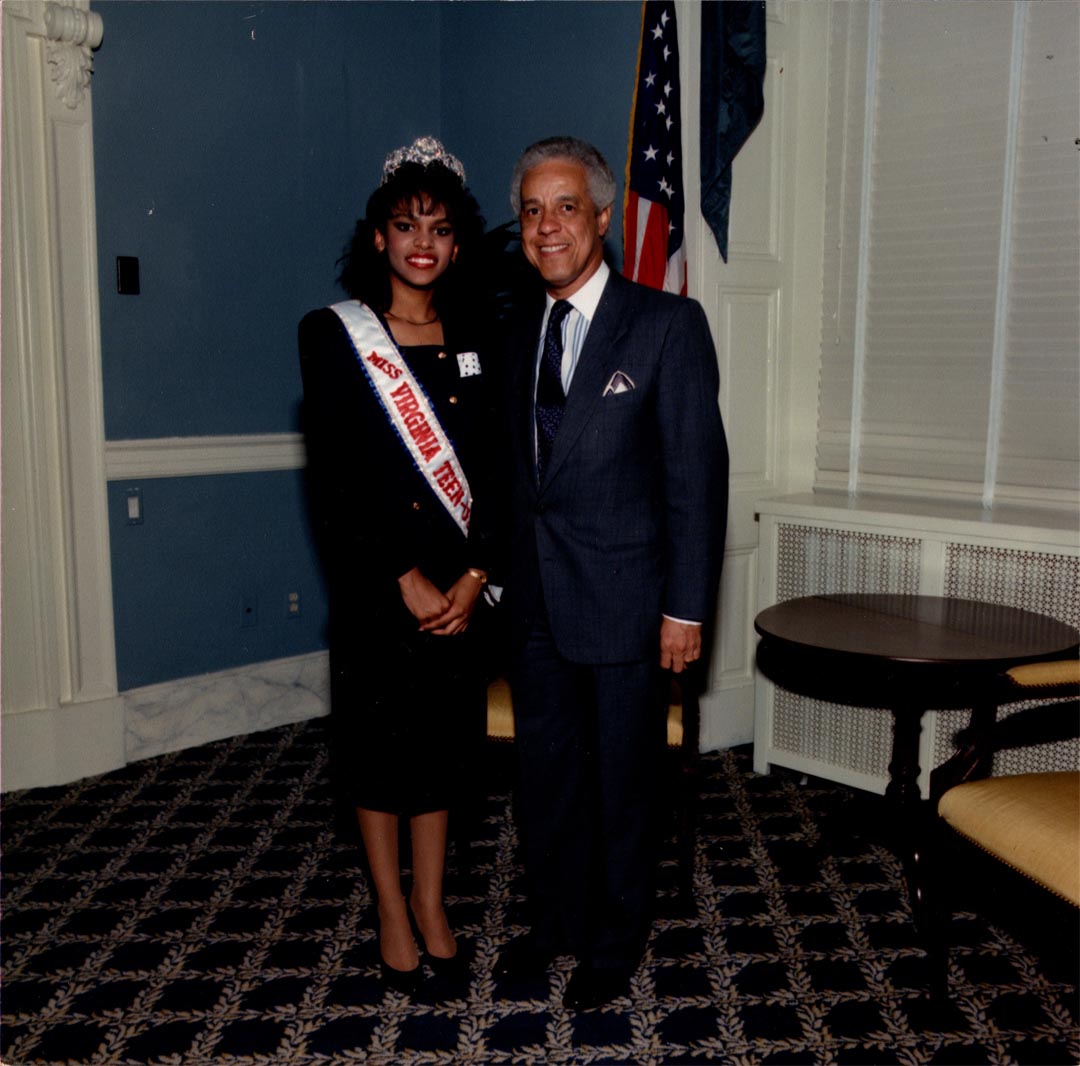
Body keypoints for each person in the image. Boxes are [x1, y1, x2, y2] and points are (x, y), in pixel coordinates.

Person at [495, 137, 729, 1010]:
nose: (547, 227)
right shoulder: (517, 329)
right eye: (530, 210)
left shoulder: (666, 326)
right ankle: (555, 918)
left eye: (565, 208)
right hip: (534, 609)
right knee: (545, 775)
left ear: (601, 217)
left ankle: (614, 937)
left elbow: (695, 481)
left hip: (630, 607)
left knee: (624, 780)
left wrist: (685, 608)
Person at [298, 137, 496, 998]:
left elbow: (497, 472)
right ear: (377, 235)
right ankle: (388, 908)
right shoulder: (334, 335)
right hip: (380, 587)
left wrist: (471, 574)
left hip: (459, 589)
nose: (425, 241)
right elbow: (338, 480)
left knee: (445, 754)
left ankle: (433, 901)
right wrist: (399, 577)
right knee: (380, 756)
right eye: (407, 224)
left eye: (442, 228)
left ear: (458, 245)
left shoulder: (481, 334)